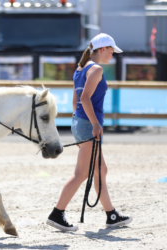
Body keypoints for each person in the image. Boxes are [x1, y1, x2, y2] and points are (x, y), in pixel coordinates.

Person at [46, 33, 133, 231]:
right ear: (103, 49)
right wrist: (95, 124)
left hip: (80, 122)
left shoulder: (80, 69)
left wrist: (78, 126)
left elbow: (76, 101)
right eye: (111, 50)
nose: (112, 54)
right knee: (81, 173)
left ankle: (111, 215)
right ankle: (57, 213)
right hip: (87, 124)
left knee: (100, 170)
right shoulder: (96, 69)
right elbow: (85, 99)